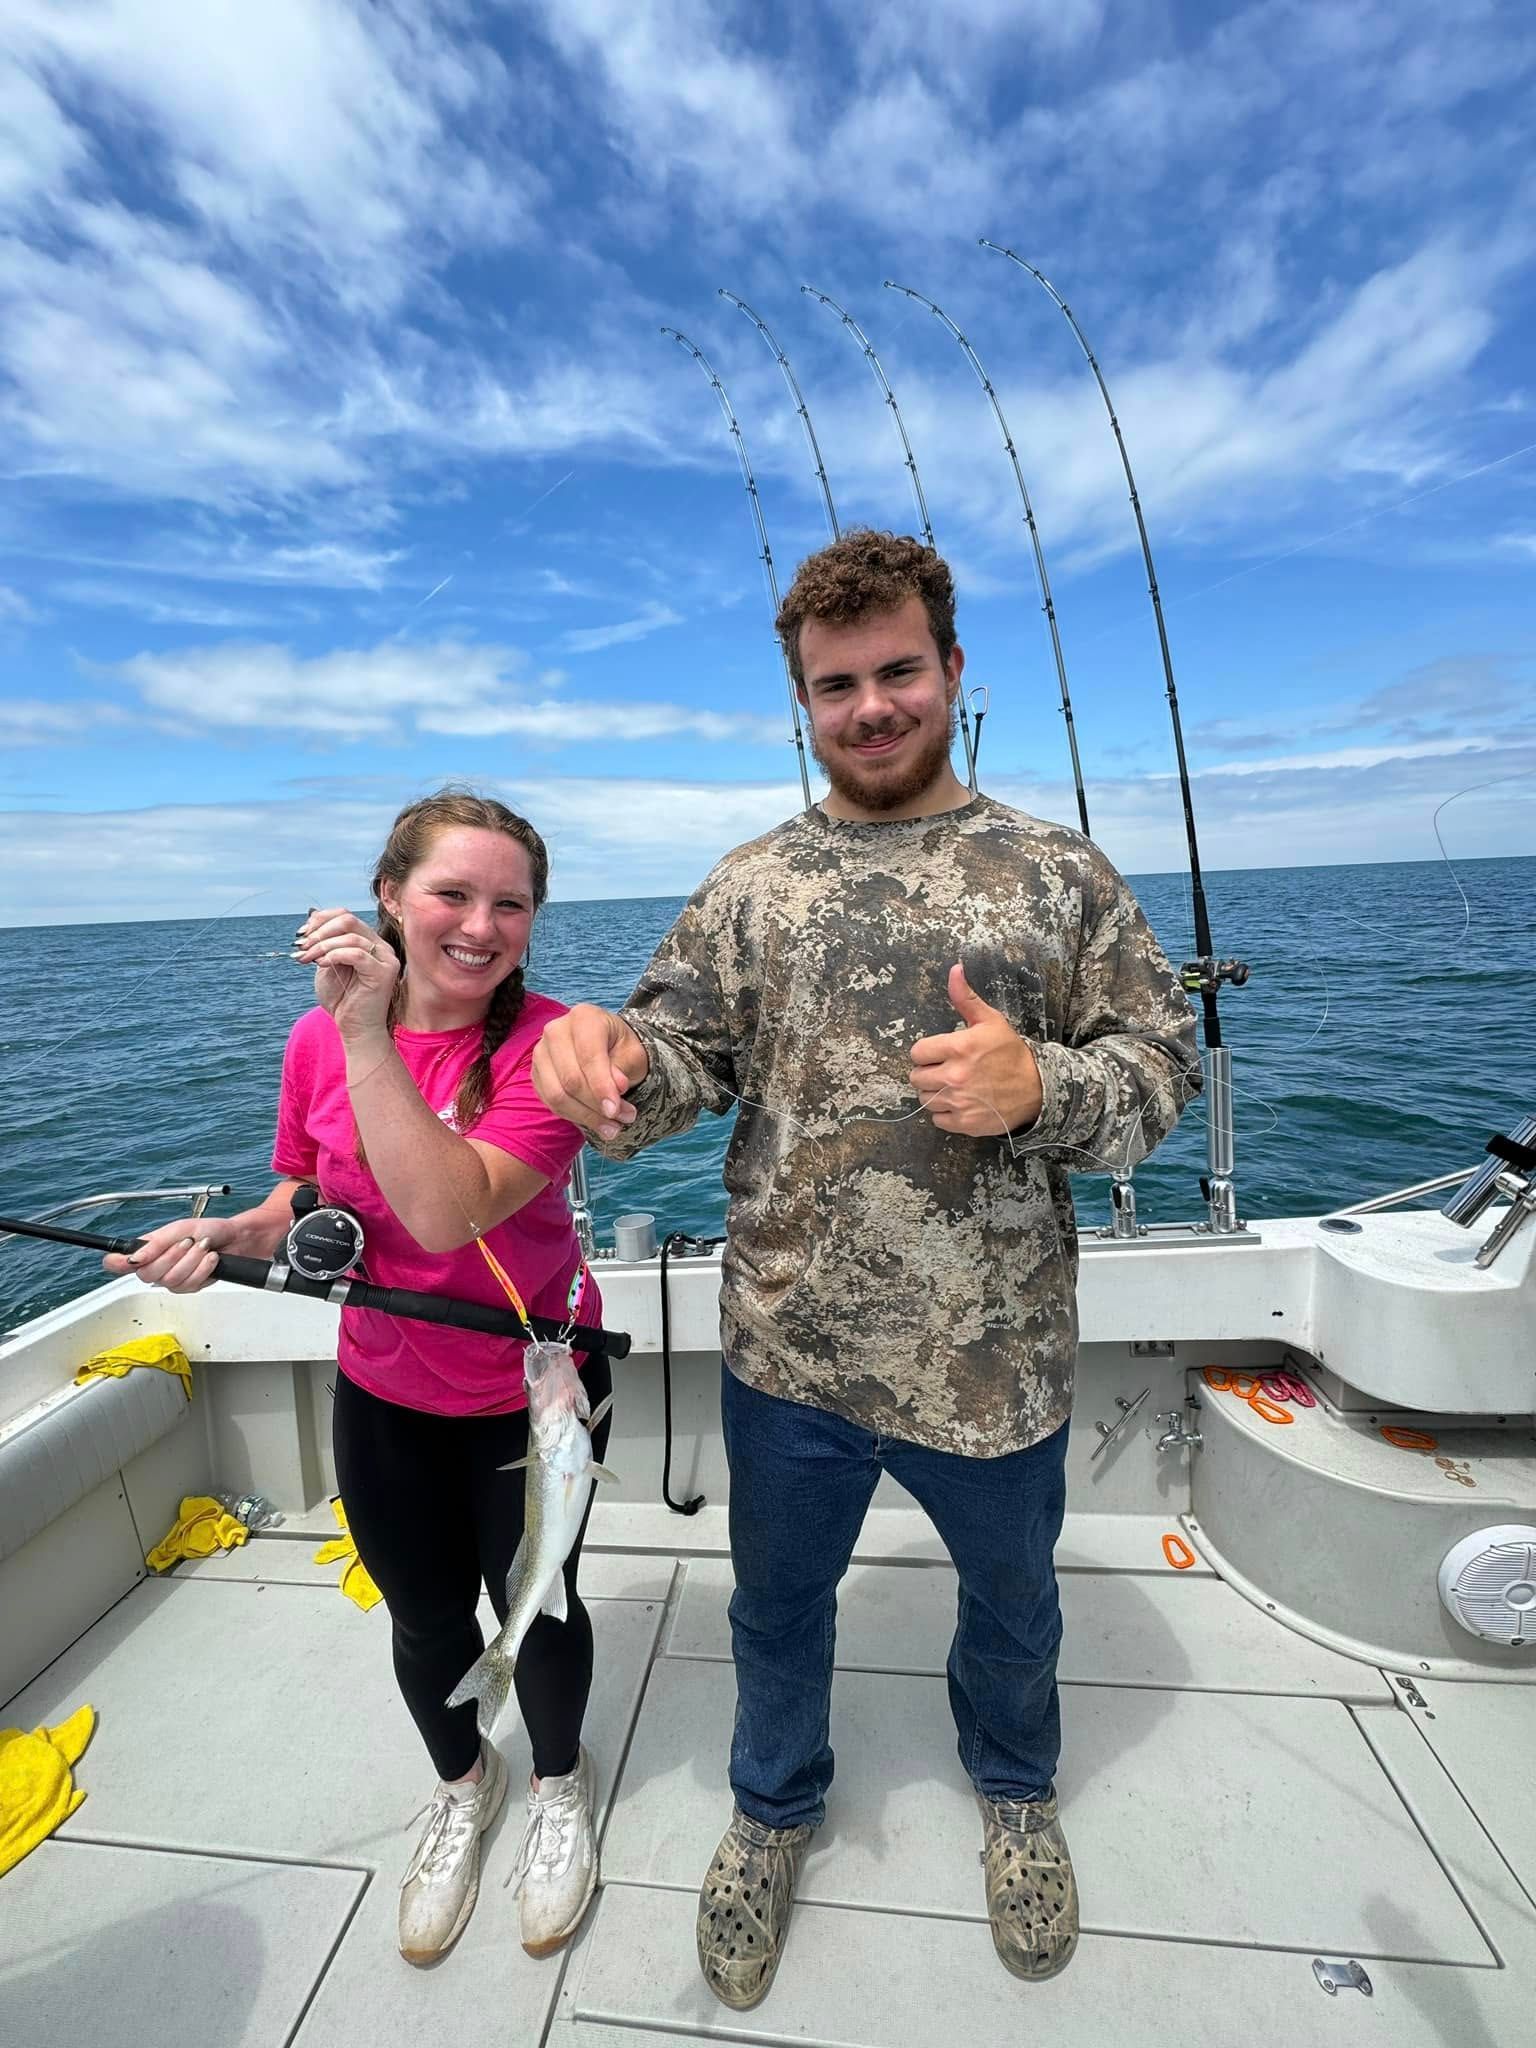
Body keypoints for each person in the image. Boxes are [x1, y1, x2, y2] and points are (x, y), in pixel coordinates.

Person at [531, 531, 1201, 2009]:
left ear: (954, 671)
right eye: (837, 685)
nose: (872, 705)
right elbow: (682, 1053)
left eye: (900, 670)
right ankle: (774, 1809)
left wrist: (1045, 1089)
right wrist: (611, 1059)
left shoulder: (1060, 874)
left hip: (999, 1355)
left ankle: (1016, 1789)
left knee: (1016, 1611)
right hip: (790, 1359)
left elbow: (1162, 1071)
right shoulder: (752, 884)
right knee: (773, 1613)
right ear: (804, 702)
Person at [106, 790, 608, 1967]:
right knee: (425, 1615)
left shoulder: (553, 1047)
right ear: (390, 896)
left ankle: (560, 1787)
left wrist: (372, 1028)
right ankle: (461, 1781)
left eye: (511, 903)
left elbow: (442, 1213)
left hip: (528, 1395)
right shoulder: (311, 1036)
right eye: (452, 893)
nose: (480, 926)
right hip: (383, 1387)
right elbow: (306, 1195)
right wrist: (224, 1235)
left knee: (542, 1603)